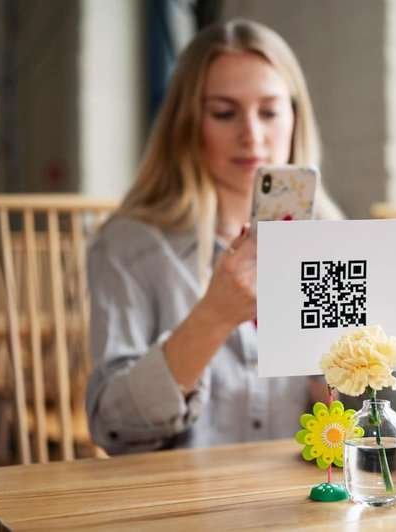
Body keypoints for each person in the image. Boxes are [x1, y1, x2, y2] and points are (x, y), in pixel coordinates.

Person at [86, 19, 342, 454]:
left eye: (269, 112)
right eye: (224, 113)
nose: (252, 135)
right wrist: (214, 316)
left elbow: (358, 424)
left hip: (299, 490)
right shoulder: (128, 246)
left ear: (295, 118)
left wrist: (336, 374)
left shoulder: (330, 238)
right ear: (186, 124)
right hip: (183, 493)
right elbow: (114, 426)